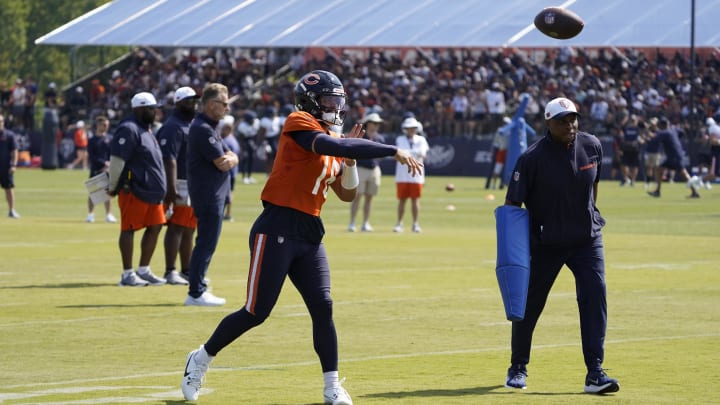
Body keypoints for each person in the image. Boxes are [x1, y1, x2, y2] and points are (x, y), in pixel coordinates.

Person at [180, 70, 422, 404]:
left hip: (309, 231)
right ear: (310, 100)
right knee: (256, 311)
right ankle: (201, 357)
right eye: (328, 100)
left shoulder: (333, 140)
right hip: (277, 225)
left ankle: (332, 386)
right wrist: (390, 149)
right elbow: (329, 144)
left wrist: (349, 161)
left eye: (338, 100)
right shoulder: (299, 122)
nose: (335, 106)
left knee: (323, 306)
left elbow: (347, 194)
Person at [503, 97, 620, 394]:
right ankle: (518, 366)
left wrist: (590, 217)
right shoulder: (531, 158)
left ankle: (595, 372)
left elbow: (594, 186)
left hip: (587, 239)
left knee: (595, 297)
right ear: (548, 123)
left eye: (573, 119)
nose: (569, 125)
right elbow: (512, 206)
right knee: (529, 305)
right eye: (562, 120)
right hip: (546, 243)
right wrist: (515, 254)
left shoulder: (592, 145)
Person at [183, 83, 239, 306]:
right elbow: (223, 162)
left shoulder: (208, 126)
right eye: (224, 104)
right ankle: (196, 292)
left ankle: (198, 285)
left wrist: (232, 158)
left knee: (207, 242)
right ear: (212, 104)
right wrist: (232, 159)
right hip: (208, 194)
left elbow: (230, 155)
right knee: (206, 242)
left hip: (211, 193)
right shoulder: (203, 128)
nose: (227, 108)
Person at [108, 92, 167, 287]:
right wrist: (112, 185)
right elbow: (117, 159)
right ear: (139, 109)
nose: (155, 112)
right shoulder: (128, 128)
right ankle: (127, 274)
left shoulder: (147, 129)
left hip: (152, 191)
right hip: (134, 189)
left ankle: (144, 269)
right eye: (151, 108)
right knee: (129, 228)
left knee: (155, 226)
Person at [156, 86, 200, 286]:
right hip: (179, 182)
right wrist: (171, 187)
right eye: (190, 101)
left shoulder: (188, 124)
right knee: (177, 227)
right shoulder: (173, 126)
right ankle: (170, 270)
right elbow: (168, 159)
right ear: (179, 102)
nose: (194, 105)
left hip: (191, 182)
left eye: (195, 101)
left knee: (189, 228)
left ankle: (187, 270)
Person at [348, 112, 386, 232]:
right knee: (357, 197)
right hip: (360, 169)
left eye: (377, 123)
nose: (376, 125)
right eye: (374, 123)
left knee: (369, 198)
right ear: (368, 123)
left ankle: (365, 223)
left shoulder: (380, 138)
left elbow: (382, 154)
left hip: (374, 169)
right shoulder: (361, 136)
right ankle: (352, 223)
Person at [647, 118, 701, 198]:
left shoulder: (664, 132)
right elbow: (682, 132)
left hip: (674, 155)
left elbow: (654, 138)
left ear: (662, 126)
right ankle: (657, 191)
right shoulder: (673, 129)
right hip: (674, 154)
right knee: (659, 168)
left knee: (684, 174)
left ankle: (695, 192)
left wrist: (648, 130)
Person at [393, 116, 429, 233]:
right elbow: (399, 153)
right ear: (405, 129)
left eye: (413, 128)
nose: (412, 130)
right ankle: (399, 223)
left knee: (415, 200)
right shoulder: (400, 139)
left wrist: (408, 153)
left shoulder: (421, 140)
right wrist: (413, 153)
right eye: (409, 128)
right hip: (402, 175)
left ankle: (415, 224)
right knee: (402, 200)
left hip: (417, 176)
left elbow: (423, 154)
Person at [86, 115, 117, 223]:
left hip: (107, 169)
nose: (106, 127)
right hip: (96, 169)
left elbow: (113, 153)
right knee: (93, 192)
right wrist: (103, 163)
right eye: (104, 125)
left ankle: (108, 214)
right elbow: (92, 155)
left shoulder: (110, 138)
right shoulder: (92, 140)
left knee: (107, 192)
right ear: (98, 125)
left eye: (107, 125)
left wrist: (109, 165)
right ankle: (90, 214)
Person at [219, 114, 240, 221]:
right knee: (229, 193)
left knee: (226, 194)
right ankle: (228, 214)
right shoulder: (233, 140)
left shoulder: (227, 141)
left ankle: (227, 214)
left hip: (228, 172)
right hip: (233, 172)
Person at [0, 114, 20, 218]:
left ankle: (11, 210)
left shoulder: (9, 135)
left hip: (6, 167)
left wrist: (14, 165)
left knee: (9, 188)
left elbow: (14, 151)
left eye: (1, 121)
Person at [236, 110, 260, 184]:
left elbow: (256, 135)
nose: (252, 121)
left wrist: (256, 144)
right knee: (245, 158)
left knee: (251, 159)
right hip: (244, 141)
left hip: (251, 140)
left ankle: (249, 176)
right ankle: (244, 177)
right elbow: (241, 139)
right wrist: (242, 149)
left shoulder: (256, 122)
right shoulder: (242, 126)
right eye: (251, 120)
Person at [258, 105, 282, 175]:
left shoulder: (277, 119)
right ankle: (268, 172)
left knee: (276, 156)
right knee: (269, 157)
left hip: (275, 140)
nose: (273, 115)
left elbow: (279, 131)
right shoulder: (265, 120)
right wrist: (262, 142)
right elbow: (262, 133)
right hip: (267, 140)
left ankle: (274, 171)